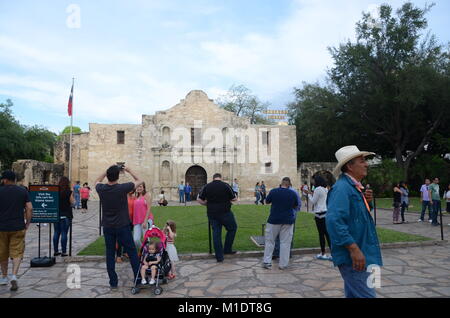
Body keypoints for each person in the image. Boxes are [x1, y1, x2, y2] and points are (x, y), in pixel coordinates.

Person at [326, 145, 382, 298]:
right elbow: (334, 222)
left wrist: (367, 202)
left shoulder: (354, 187)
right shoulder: (342, 189)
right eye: (362, 161)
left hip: (363, 252)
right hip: (355, 257)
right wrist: (353, 249)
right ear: (350, 166)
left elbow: (357, 217)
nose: (366, 164)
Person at [95, 165, 143, 289]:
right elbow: (140, 181)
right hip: (122, 225)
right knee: (132, 252)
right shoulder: (122, 188)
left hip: (108, 226)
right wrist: (129, 170)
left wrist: (105, 172)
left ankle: (113, 282)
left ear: (108, 176)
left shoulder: (102, 188)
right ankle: (137, 279)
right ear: (117, 176)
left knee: (110, 253)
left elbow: (96, 181)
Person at [0, 170, 33, 292]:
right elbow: (29, 208)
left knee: (2, 252)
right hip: (18, 226)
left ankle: (4, 277)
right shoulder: (22, 191)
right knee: (17, 252)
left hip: (1, 227)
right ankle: (14, 275)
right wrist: (27, 223)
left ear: (5, 180)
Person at [198, 173, 238, 262]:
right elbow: (234, 198)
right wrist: (228, 200)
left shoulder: (207, 186)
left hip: (212, 213)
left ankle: (219, 257)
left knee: (216, 233)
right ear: (221, 178)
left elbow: (199, 199)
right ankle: (227, 249)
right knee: (232, 228)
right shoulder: (226, 186)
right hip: (225, 212)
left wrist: (207, 204)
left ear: (213, 178)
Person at [262, 177, 299, 270]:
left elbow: (267, 201)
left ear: (281, 184)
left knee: (270, 241)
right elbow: (295, 206)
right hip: (288, 220)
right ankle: (283, 264)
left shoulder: (274, 191)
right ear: (289, 185)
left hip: (274, 219)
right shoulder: (293, 193)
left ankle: (267, 262)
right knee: (285, 243)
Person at [272, 180, 301, 260]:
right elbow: (298, 204)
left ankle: (277, 252)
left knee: (278, 234)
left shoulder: (281, 191)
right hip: (291, 215)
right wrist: (295, 212)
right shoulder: (294, 192)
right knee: (289, 235)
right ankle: (288, 253)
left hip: (281, 215)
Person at [309, 175, 332, 260]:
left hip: (319, 213)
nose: (313, 182)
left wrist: (308, 195)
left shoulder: (317, 189)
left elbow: (313, 201)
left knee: (321, 234)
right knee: (327, 234)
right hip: (325, 212)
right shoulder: (325, 189)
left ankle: (323, 253)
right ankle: (333, 253)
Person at [53, 177, 75, 257]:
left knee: (56, 232)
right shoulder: (69, 192)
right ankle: (64, 251)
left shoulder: (55, 191)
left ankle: (55, 251)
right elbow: (73, 203)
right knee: (64, 233)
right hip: (66, 215)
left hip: (56, 215)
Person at [132, 183, 154, 247]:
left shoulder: (147, 195)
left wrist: (145, 221)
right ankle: (144, 250)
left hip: (146, 220)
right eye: (137, 187)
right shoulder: (136, 197)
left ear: (144, 187)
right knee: (135, 239)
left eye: (140, 186)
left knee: (146, 239)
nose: (139, 188)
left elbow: (149, 208)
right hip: (137, 221)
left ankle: (147, 253)